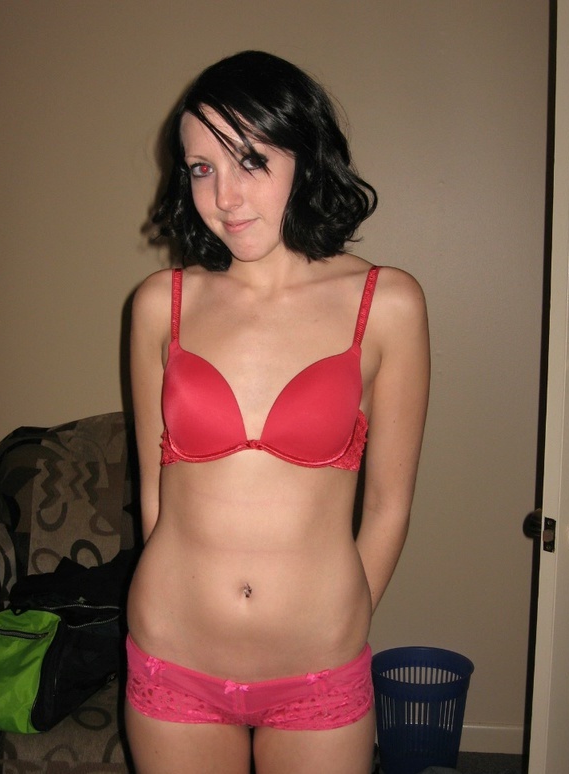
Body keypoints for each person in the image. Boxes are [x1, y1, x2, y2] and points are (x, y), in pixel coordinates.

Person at [125, 50, 429, 774]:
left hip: (318, 668)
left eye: (251, 161)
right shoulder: (161, 305)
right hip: (172, 657)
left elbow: (388, 505)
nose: (225, 196)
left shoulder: (387, 304)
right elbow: (154, 492)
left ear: (306, 156)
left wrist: (343, 620)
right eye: (202, 168)